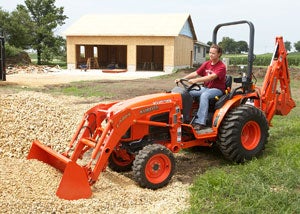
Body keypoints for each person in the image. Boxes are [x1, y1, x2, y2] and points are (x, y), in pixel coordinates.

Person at [175, 44, 226, 130]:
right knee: (187, 93)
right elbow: (195, 73)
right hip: (206, 88)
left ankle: (200, 122)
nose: (210, 55)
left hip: (217, 89)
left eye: (213, 53)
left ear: (219, 54)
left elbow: (211, 77)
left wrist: (196, 80)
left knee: (204, 95)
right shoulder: (206, 64)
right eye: (210, 52)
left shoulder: (221, 67)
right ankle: (185, 117)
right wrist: (182, 78)